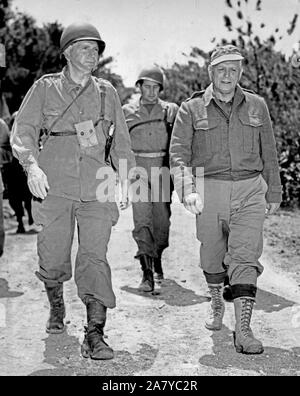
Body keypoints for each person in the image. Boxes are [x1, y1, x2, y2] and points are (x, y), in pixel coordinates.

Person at [10, 22, 135, 360]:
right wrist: (31, 166)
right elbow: (22, 132)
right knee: (52, 254)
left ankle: (94, 333)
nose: (92, 53)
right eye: (84, 47)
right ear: (66, 52)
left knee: (95, 256)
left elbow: (121, 142)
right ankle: (56, 304)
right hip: (55, 185)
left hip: (98, 187)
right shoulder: (45, 88)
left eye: (96, 48)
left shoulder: (108, 92)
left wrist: (124, 180)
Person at [169, 44, 282, 354]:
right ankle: (217, 301)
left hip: (249, 190)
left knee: (245, 256)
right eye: (222, 69)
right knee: (213, 253)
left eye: (234, 69)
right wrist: (187, 189)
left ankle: (243, 330)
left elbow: (269, 153)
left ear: (241, 72)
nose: (228, 75)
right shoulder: (190, 109)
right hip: (208, 190)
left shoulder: (257, 105)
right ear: (211, 72)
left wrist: (274, 190)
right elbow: (178, 154)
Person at [122, 67, 178, 292]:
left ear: (161, 89)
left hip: (162, 169)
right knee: (142, 216)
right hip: (137, 170)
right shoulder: (127, 111)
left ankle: (157, 257)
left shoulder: (170, 110)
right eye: (147, 86)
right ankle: (146, 271)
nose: (151, 91)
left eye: (156, 87)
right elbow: (117, 142)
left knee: (162, 219)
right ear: (139, 87)